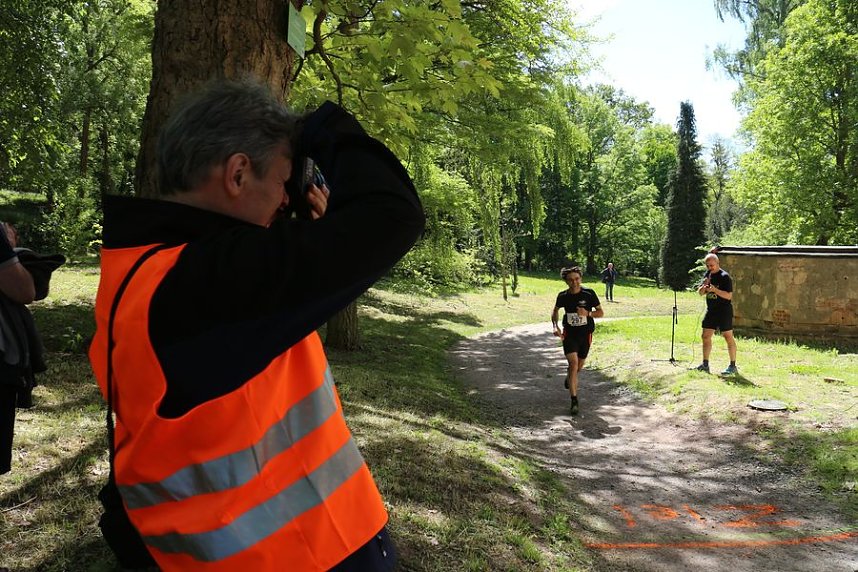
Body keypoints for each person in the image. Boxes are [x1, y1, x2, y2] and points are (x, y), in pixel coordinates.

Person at [88, 79, 424, 571]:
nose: (287, 201)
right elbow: (392, 214)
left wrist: (300, 231)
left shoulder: (142, 271)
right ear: (239, 174)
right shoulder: (207, 283)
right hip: (302, 552)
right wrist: (320, 129)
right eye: (284, 182)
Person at [551, 266, 604, 415]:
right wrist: (555, 326)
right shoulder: (563, 296)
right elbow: (555, 311)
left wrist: (588, 313)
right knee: (573, 364)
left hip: (585, 335)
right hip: (569, 334)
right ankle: (574, 400)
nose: (574, 282)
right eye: (570, 280)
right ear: (566, 281)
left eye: (577, 279)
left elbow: (601, 312)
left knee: (578, 367)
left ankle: (570, 377)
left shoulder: (589, 293)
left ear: (581, 279)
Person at [693, 253, 738, 375]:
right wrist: (704, 288)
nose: (710, 268)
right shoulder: (708, 274)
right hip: (711, 311)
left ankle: (733, 365)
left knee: (728, 337)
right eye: (707, 266)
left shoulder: (725, 277)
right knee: (705, 336)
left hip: (724, 311)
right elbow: (701, 292)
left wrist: (714, 290)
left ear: (718, 263)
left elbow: (728, 296)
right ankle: (705, 364)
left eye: (712, 265)